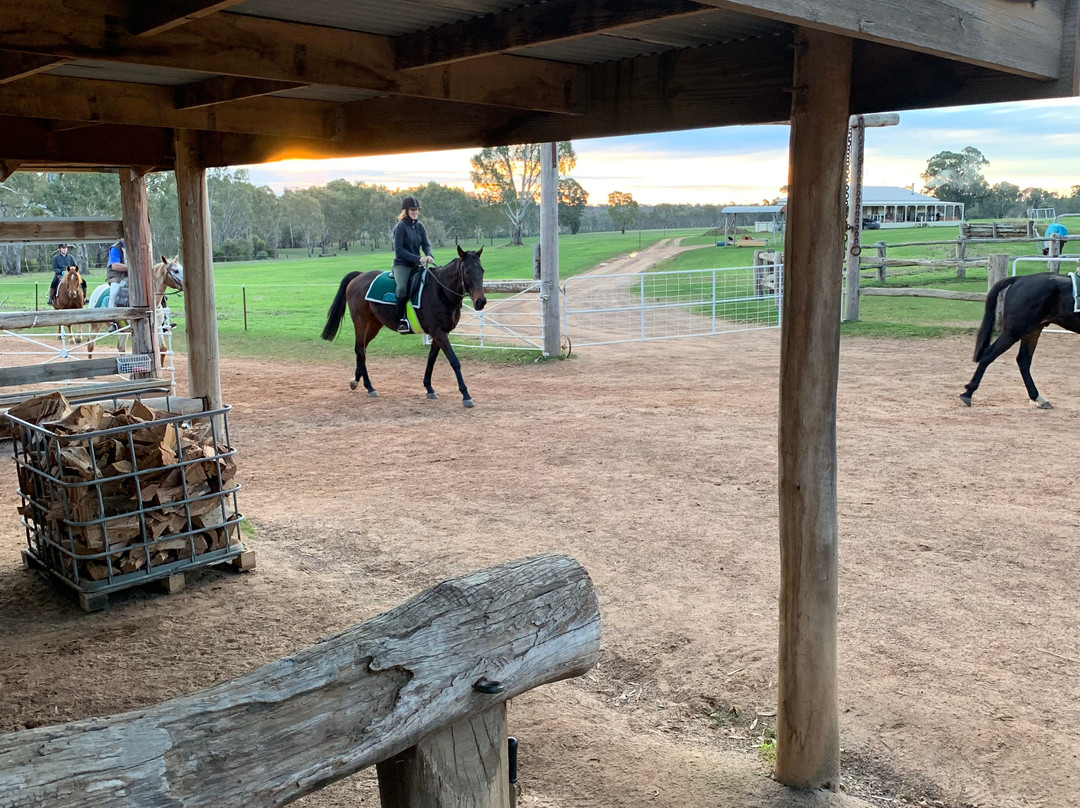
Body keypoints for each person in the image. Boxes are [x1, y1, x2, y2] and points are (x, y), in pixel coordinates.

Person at [391, 196, 434, 333]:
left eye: (416, 209)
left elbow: (426, 244)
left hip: (417, 264)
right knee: (402, 288)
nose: (415, 212)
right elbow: (399, 251)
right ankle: (401, 320)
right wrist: (417, 258)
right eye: (412, 209)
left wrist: (429, 255)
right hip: (402, 265)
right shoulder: (401, 227)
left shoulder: (420, 226)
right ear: (406, 211)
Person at [105, 238, 128, 329]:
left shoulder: (135, 246)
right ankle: (113, 320)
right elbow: (115, 265)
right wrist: (132, 267)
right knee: (114, 293)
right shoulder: (115, 248)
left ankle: (162, 318)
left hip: (131, 275)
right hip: (117, 276)